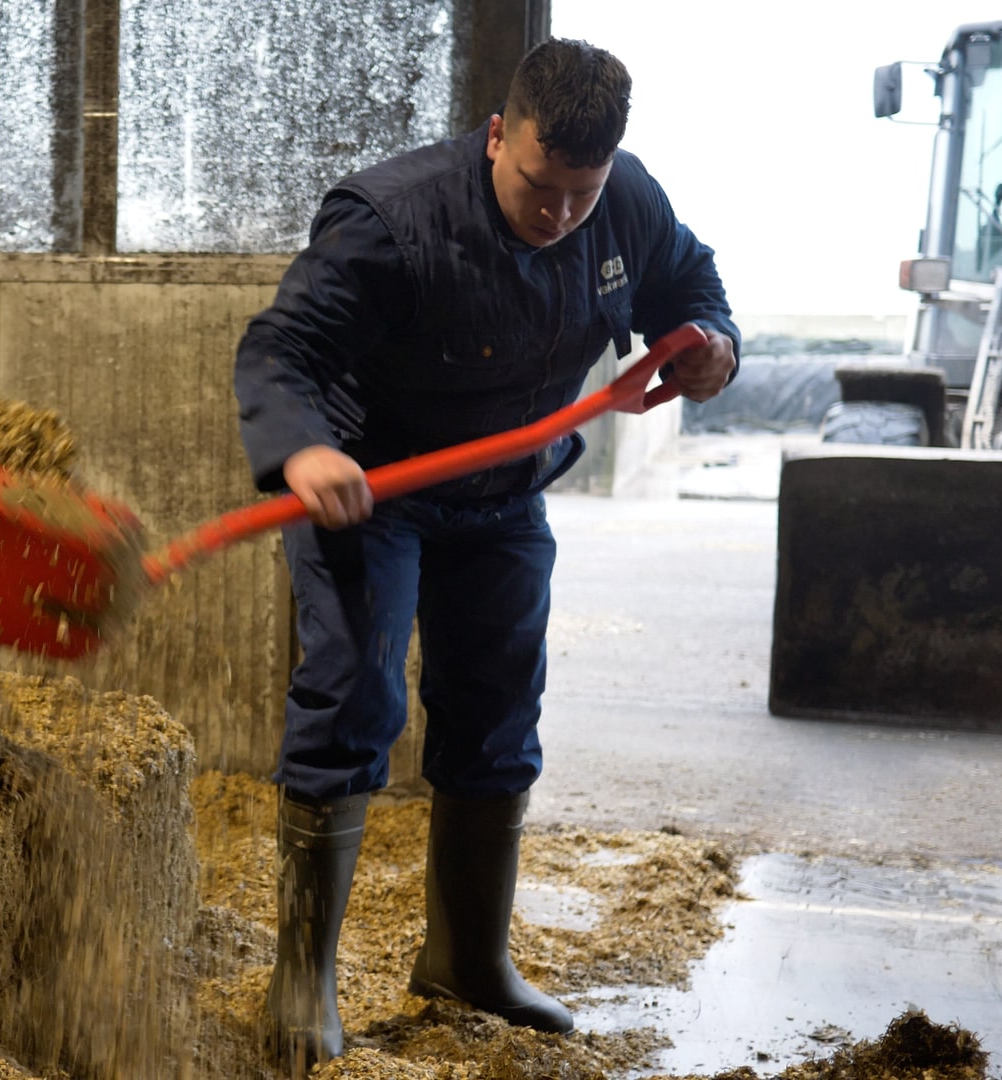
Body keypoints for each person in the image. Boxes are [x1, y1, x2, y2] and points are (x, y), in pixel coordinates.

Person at [233, 37, 739, 1069]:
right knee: (355, 700)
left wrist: (713, 347)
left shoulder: (627, 200)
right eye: (538, 187)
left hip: (505, 498)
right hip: (373, 491)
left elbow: (691, 287)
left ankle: (467, 962)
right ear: (498, 136)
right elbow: (283, 348)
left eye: (579, 197)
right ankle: (304, 979)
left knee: (500, 710)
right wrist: (304, 449)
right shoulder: (390, 221)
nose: (557, 216)